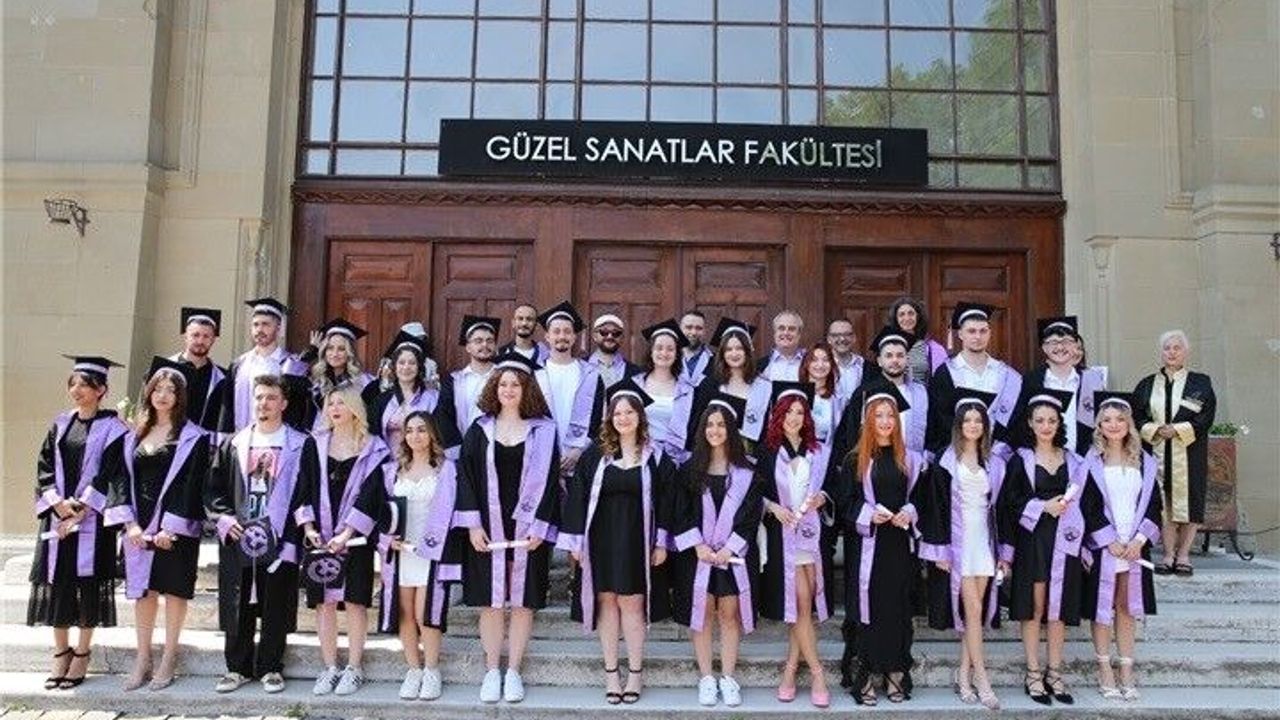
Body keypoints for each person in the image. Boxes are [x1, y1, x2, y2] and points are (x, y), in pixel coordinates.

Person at [559, 378, 675, 705]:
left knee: (632, 605)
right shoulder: (594, 456)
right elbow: (578, 499)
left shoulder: (656, 457)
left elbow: (668, 500)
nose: (623, 418)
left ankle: (635, 673)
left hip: (638, 541)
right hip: (601, 541)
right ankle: (611, 673)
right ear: (610, 418)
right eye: (617, 413)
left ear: (640, 416)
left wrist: (661, 542)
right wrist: (576, 544)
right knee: (606, 603)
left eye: (629, 412)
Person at [455, 352, 561, 704]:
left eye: (516, 384)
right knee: (490, 601)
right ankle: (491, 670)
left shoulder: (544, 431)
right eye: (503, 384)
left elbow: (550, 482)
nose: (509, 390)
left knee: (523, 601)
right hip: (487, 528)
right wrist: (472, 525)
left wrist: (540, 527)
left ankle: (513, 670)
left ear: (527, 388)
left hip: (528, 529)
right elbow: (465, 478)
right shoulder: (479, 429)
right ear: (494, 388)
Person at [207, 374, 317, 695]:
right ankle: (237, 668)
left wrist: (298, 532)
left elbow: (307, 490)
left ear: (283, 403)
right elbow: (214, 488)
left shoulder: (300, 444)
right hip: (240, 536)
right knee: (238, 601)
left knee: (276, 603)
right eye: (258, 397)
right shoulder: (234, 443)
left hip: (280, 537)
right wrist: (224, 519)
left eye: (271, 398)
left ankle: (270, 667)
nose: (263, 403)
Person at [104, 358, 209, 691]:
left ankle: (169, 657)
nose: (163, 395)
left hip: (174, 528)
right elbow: (119, 479)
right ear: (149, 393)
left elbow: (192, 483)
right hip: (139, 524)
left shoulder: (194, 437)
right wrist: (129, 524)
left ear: (180, 396)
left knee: (174, 592)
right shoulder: (133, 435)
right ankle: (143, 658)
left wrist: (170, 528)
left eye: (170, 390)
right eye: (157, 389)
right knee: (143, 593)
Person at [29, 355, 129, 691]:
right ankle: (61, 652)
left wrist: (82, 509)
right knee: (58, 584)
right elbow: (44, 467)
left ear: (102, 390)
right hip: (57, 519)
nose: (77, 390)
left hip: (92, 522)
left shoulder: (115, 429)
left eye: (85, 385)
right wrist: (57, 504)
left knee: (88, 586)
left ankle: (82, 653)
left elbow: (113, 473)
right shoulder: (60, 424)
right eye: (73, 384)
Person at [916, 389, 1013, 710]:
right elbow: (935, 509)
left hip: (984, 542)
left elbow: (1001, 510)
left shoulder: (995, 463)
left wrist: (1004, 552)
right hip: (958, 544)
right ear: (958, 426)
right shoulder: (945, 462)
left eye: (978, 420)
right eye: (967, 420)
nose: (973, 425)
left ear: (985, 425)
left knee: (977, 611)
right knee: (972, 609)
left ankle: (963, 674)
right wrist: (940, 551)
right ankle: (982, 678)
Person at [295, 386, 389, 696]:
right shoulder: (314, 444)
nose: (334, 408)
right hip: (320, 536)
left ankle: (354, 667)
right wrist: (308, 527)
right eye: (330, 403)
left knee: (354, 600)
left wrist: (348, 533)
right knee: (324, 602)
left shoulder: (374, 448)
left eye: (341, 403)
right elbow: (303, 485)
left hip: (356, 539)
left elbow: (373, 494)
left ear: (354, 409)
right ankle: (330, 667)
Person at [837, 383, 927, 705]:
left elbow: (922, 500)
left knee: (897, 609)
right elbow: (845, 503)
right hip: (868, 547)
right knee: (868, 609)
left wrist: (909, 512)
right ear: (868, 420)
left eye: (891, 415)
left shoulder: (911, 460)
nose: (886, 421)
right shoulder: (855, 461)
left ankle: (895, 673)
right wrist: (868, 514)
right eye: (879, 415)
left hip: (899, 546)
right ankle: (865, 676)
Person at [670, 394, 761, 708]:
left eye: (721, 424)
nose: (715, 430)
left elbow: (751, 515)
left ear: (730, 429)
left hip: (733, 557)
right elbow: (680, 512)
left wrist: (730, 547)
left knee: (729, 615)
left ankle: (729, 678)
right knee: (703, 614)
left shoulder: (747, 471)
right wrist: (698, 545)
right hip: (698, 556)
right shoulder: (688, 470)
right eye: (709, 424)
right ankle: (707, 678)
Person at [998, 389, 1084, 706]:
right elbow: (1009, 504)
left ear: (1059, 423)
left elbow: (1086, 503)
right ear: (1030, 424)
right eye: (1040, 420)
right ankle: (1033, 672)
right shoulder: (1020, 460)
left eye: (1051, 420)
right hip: (1032, 540)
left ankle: (1055, 672)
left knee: (1057, 609)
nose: (1046, 426)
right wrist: (1042, 507)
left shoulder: (1073, 460)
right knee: (1034, 607)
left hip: (1066, 542)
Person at [378, 411, 465, 701]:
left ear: (432, 434)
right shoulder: (392, 470)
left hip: (431, 550)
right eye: (410, 430)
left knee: (424, 612)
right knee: (404, 612)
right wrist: (386, 538)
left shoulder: (447, 470)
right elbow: (378, 510)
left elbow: (455, 510)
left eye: (421, 430)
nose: (415, 436)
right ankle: (413, 669)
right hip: (401, 551)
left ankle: (431, 670)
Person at [1081, 391, 1162, 702]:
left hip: (1134, 547)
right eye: (1107, 420)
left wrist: (1140, 540)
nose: (1113, 425)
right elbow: (1087, 506)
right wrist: (1107, 540)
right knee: (1103, 609)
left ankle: (1126, 670)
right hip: (1106, 547)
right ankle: (1104, 669)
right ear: (1099, 426)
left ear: (1129, 424)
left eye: (1120, 419)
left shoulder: (1145, 462)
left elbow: (1154, 505)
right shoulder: (1091, 463)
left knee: (1127, 607)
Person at [756, 382, 832, 708]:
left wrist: (823, 497)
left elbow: (832, 487)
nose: (794, 417)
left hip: (811, 537)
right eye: (788, 412)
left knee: (805, 605)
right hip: (783, 537)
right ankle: (817, 673)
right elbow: (753, 492)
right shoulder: (767, 451)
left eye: (800, 412)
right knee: (801, 604)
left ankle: (790, 669)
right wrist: (772, 507)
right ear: (778, 415)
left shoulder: (819, 451)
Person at [1133, 330, 1216, 577]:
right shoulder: (1147, 384)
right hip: (1157, 451)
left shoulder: (1200, 383)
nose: (1171, 352)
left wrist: (1178, 429)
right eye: (1167, 348)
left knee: (1191, 501)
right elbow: (1136, 416)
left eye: (1177, 347)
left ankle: (1184, 554)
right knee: (1163, 502)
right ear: (1161, 352)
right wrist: (1156, 429)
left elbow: (1206, 416)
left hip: (1190, 452)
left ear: (1186, 352)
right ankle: (1168, 554)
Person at [926, 302, 1022, 458]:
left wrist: (997, 451)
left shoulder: (1005, 374)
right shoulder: (946, 373)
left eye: (983, 331)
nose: (978, 337)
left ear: (990, 333)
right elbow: (939, 419)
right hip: (956, 455)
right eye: (971, 331)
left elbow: (1014, 420)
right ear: (960, 334)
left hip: (997, 457)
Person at [832, 327, 929, 468]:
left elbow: (930, 429)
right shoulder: (865, 392)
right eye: (889, 356)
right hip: (875, 467)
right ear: (879, 361)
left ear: (907, 359)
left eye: (900, 355)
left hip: (914, 464)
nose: (895, 360)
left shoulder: (920, 392)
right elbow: (851, 434)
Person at [1010, 316, 1108, 455]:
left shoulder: (1091, 380)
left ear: (1075, 346)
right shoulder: (1031, 381)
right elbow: (1019, 422)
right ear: (1044, 347)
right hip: (1042, 459)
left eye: (1066, 342)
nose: (1060, 347)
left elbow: (1102, 421)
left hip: (1083, 458)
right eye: (1053, 342)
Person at [220, 297, 310, 432]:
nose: (259, 329)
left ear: (278, 328)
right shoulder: (239, 365)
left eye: (265, 324)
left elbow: (297, 409)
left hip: (278, 439)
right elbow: (227, 408)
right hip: (242, 438)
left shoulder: (291, 366)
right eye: (255, 324)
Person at [366, 331, 457, 452]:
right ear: (394, 367)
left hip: (425, 460)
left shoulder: (434, 398)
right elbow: (373, 438)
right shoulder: (381, 401)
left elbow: (445, 436)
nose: (406, 367)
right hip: (389, 461)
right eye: (401, 362)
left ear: (419, 367)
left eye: (412, 363)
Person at [532, 301, 593, 476]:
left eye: (567, 331)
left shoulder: (590, 374)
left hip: (581, 459)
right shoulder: (535, 374)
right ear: (547, 336)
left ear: (574, 337)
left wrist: (578, 450)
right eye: (556, 331)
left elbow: (598, 417)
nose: (562, 336)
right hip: (541, 458)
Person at [690, 318, 773, 447]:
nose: (734, 354)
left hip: (750, 454)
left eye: (739, 348)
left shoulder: (763, 386)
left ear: (747, 351)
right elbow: (697, 425)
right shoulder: (709, 385)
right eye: (728, 349)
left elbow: (766, 430)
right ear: (722, 354)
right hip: (713, 451)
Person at [635, 319, 695, 463]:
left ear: (677, 354)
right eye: (659, 348)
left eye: (670, 349)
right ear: (651, 352)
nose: (664, 353)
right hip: (640, 456)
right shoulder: (636, 384)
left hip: (676, 460)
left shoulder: (687, 390)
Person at [303, 319, 377, 431]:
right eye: (330, 348)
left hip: (352, 436)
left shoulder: (364, 382)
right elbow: (287, 380)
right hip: (318, 437)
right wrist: (311, 352)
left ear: (350, 352)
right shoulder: (315, 380)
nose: (334, 354)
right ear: (324, 351)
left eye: (341, 349)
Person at [439, 315, 500, 443]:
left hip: (499, 446)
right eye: (478, 341)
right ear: (468, 347)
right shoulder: (455, 380)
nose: (485, 345)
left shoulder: (504, 376)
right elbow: (444, 417)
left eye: (490, 341)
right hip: (464, 446)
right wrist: (457, 449)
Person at [170, 306, 227, 435]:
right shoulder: (165, 369)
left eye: (206, 336)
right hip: (168, 441)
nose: (200, 341)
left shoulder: (222, 378)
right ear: (185, 336)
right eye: (195, 335)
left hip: (205, 443)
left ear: (213, 340)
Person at [888, 296, 948, 383]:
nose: (907, 318)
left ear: (918, 317)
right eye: (901, 314)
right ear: (895, 319)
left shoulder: (934, 349)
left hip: (922, 391)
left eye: (911, 313)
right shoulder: (887, 347)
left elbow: (942, 381)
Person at [758, 309, 806, 381]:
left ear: (799, 335)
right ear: (775, 333)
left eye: (791, 329)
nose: (786, 333)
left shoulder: (809, 363)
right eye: (781, 328)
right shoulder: (760, 366)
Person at [825, 319, 864, 398]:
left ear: (854, 338)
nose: (842, 339)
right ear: (829, 339)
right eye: (836, 335)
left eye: (847, 334)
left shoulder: (865, 366)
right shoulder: (820, 366)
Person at [678, 310, 712, 386]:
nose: (693, 332)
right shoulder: (669, 359)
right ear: (680, 330)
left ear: (705, 331)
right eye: (688, 327)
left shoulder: (716, 361)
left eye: (699, 328)